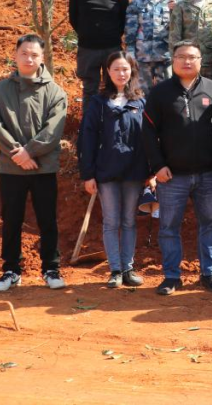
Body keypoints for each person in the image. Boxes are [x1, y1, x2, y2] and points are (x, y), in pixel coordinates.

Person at [142, 40, 212, 296]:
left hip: (207, 173)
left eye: (192, 57)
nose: (187, 61)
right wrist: (158, 166)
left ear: (201, 61)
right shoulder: (160, 92)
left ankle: (209, 273)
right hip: (171, 176)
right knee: (168, 227)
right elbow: (148, 132)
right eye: (181, 57)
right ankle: (171, 276)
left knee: (210, 222)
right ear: (173, 60)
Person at [0, 34, 68, 292]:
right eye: (24, 53)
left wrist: (30, 152)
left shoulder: (55, 92)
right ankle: (11, 270)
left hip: (44, 167)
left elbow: (53, 130)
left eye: (34, 55)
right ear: (15, 55)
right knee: (11, 220)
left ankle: (51, 268)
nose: (29, 59)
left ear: (42, 58)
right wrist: (18, 154)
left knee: (47, 220)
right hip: (11, 168)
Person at [78, 51, 149, 288]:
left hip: (134, 171)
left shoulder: (140, 102)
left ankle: (128, 268)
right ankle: (115, 270)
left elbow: (149, 139)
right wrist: (88, 174)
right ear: (108, 72)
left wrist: (151, 171)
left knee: (129, 220)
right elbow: (87, 139)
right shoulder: (98, 103)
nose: (121, 73)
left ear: (132, 71)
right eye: (116, 69)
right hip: (106, 171)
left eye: (125, 69)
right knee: (111, 221)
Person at [69, 0, 129, 103]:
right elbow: (73, 17)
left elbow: (125, 19)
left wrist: (113, 35)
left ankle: (112, 117)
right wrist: (86, 34)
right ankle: (90, 118)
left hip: (112, 48)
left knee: (114, 87)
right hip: (87, 49)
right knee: (90, 89)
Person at [125, 0, 179, 93]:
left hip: (167, 57)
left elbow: (183, 28)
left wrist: (177, 10)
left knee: (167, 93)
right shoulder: (136, 3)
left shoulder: (175, 1)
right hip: (142, 58)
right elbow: (130, 30)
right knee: (141, 94)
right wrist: (130, 53)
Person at [168, 0, 212, 79]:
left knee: (209, 89)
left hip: (210, 61)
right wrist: (176, 59)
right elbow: (174, 35)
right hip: (188, 62)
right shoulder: (181, 6)